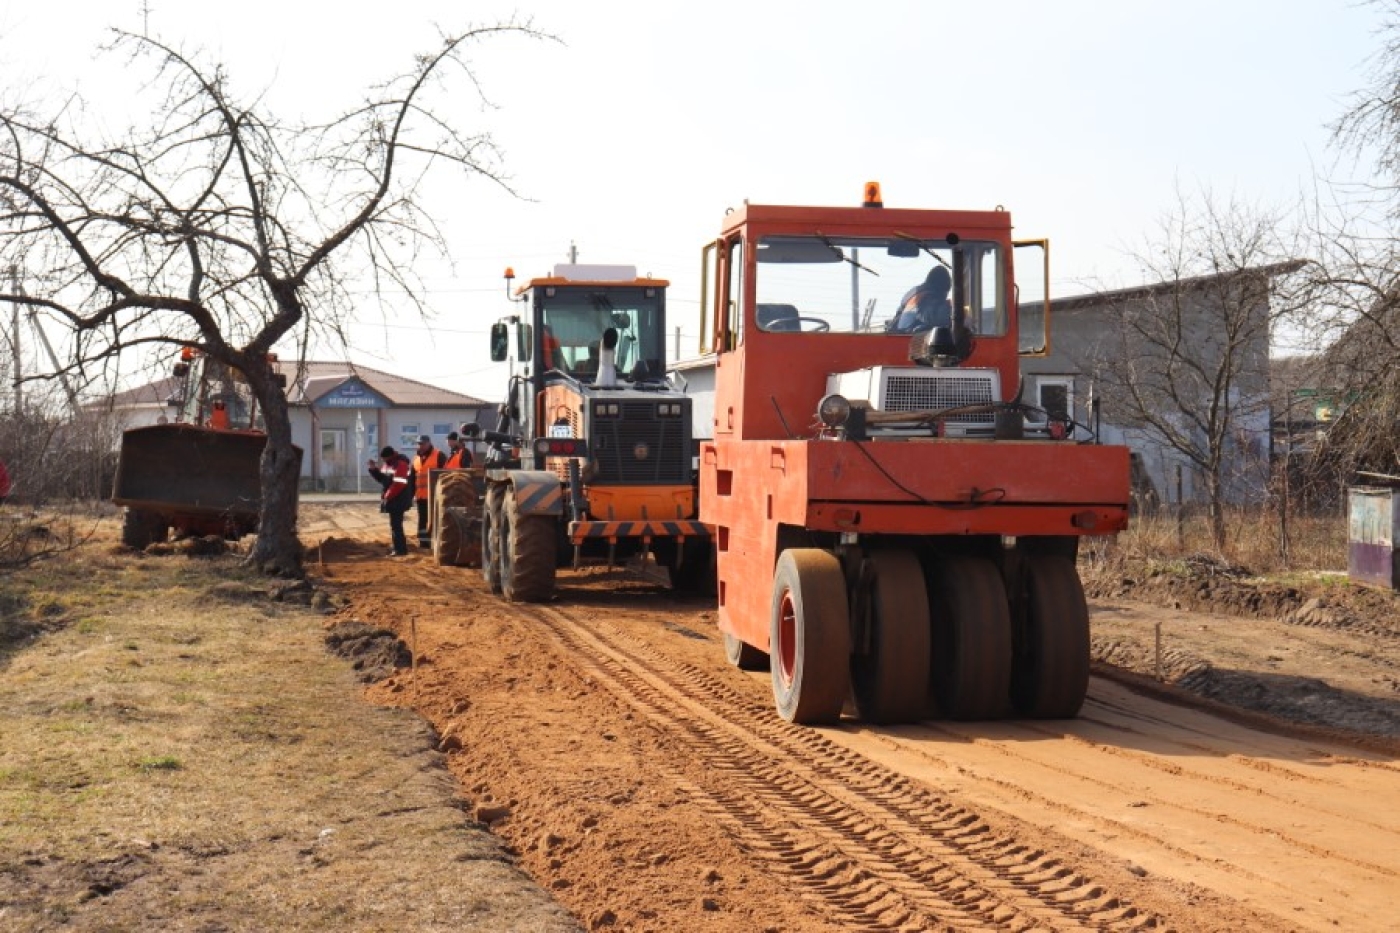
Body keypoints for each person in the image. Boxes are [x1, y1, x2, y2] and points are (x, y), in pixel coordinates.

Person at [368, 446, 414, 557]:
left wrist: (387, 496)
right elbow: (383, 479)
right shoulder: (389, 464)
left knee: (396, 525)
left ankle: (400, 550)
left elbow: (399, 484)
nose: (383, 460)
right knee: (394, 525)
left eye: (384, 458)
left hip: (399, 499)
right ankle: (397, 547)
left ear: (390, 455)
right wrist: (373, 469)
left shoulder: (401, 464)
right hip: (394, 499)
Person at [889, 264, 953, 334]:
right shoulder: (928, 298)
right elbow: (937, 319)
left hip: (905, 337)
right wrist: (954, 308)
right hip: (916, 340)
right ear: (942, 288)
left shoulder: (915, 296)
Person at [411, 434, 447, 548]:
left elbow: (445, 474)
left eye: (422, 444)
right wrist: (411, 494)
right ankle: (423, 542)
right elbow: (412, 478)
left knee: (435, 519)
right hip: (421, 496)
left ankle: (436, 541)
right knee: (422, 520)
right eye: (419, 444)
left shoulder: (439, 455)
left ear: (429, 443)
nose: (420, 446)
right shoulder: (416, 459)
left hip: (435, 495)